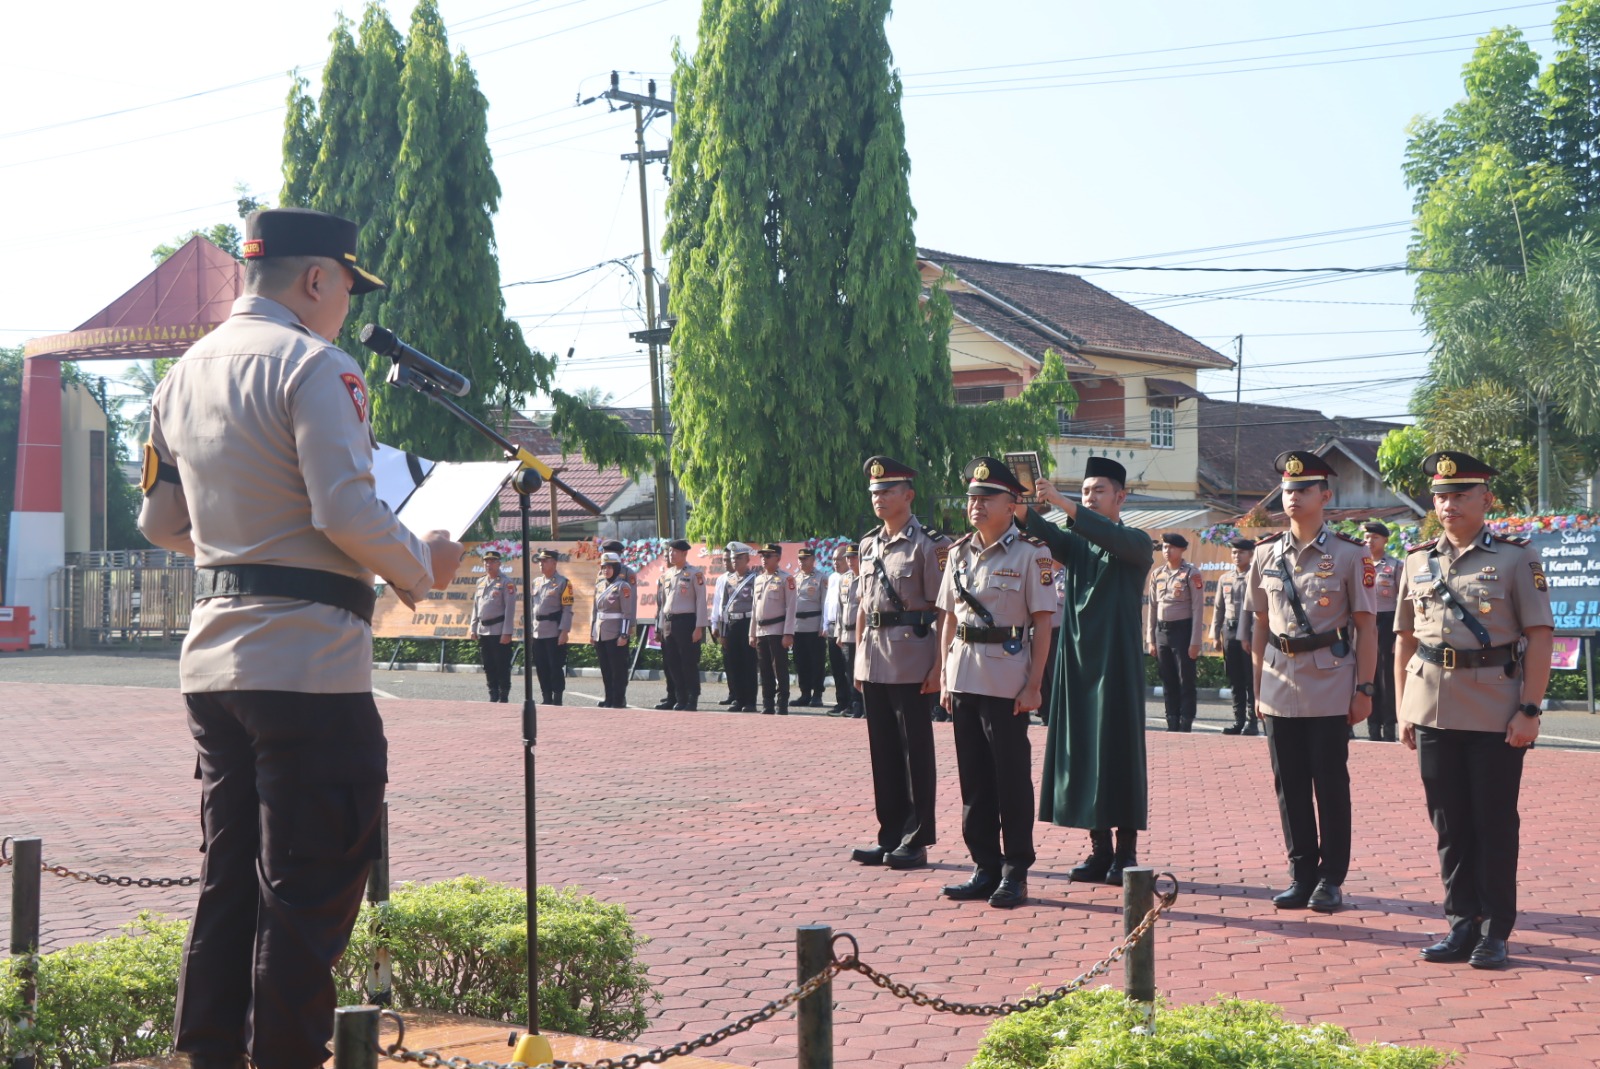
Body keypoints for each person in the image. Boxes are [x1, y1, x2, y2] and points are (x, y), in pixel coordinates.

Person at [137, 206, 464, 1069]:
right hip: (309, 668)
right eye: (347, 288)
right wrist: (423, 563)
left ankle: (207, 1056)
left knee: (228, 884)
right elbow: (346, 510)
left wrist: (241, 537)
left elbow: (160, 519)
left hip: (213, 664)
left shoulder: (179, 378)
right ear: (317, 278)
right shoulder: (319, 367)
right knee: (304, 896)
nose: (347, 306)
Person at [1394, 452, 1553, 970]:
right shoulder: (1417, 560)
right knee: (1449, 823)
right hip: (1432, 707)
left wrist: (1529, 709)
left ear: (1487, 499)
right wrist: (1403, 707)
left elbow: (1539, 636)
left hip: (1493, 709)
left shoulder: (1515, 557)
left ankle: (1494, 930)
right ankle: (1461, 923)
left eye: (1460, 494)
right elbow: (1404, 639)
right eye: (1440, 495)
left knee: (1493, 823)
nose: (1448, 504)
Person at [1248, 450, 1376, 914]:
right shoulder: (1264, 553)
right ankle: (1301, 873)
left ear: (1325, 495)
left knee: (1329, 782)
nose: (1293, 497)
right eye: (1287, 490)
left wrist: (1365, 689)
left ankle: (1330, 879)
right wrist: (1259, 686)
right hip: (1280, 682)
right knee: (1290, 784)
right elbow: (1260, 624)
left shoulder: (1349, 554)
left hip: (1330, 680)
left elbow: (1366, 626)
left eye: (1303, 489)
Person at [1019, 457, 1152, 886]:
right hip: (1078, 664)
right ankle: (1100, 851)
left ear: (1121, 498)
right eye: (1086, 491)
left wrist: (1065, 504)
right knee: (1086, 755)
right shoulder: (1080, 543)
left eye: (1099, 491)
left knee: (1119, 753)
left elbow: (1111, 537)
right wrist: (1021, 506)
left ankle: (1126, 852)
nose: (1090, 497)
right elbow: (1049, 535)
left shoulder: (1136, 541)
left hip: (1117, 665)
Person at [936, 457, 1057, 909]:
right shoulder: (959, 553)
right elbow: (948, 619)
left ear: (1013, 504)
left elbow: (1043, 625)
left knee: (1010, 780)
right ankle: (984, 866)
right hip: (964, 675)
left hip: (1008, 680)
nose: (976, 505)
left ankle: (1015, 871)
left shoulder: (1031, 554)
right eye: (972, 497)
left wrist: (1034, 685)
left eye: (987, 498)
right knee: (974, 780)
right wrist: (946, 674)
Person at [852, 456, 951, 871]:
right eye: (874, 492)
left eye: (887, 491)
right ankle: (889, 834)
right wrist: (858, 653)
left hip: (912, 657)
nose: (879, 498)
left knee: (915, 752)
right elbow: (862, 605)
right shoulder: (868, 543)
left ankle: (916, 838)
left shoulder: (929, 544)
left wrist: (938, 666)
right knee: (884, 752)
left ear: (908, 495)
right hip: (874, 656)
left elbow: (944, 609)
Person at [1146, 532, 1204, 731]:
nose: (1167, 551)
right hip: (1162, 632)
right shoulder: (1157, 573)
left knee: (1185, 678)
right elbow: (1152, 607)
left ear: (1182, 549)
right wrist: (1150, 639)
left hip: (1183, 631)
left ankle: (1186, 719)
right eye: (1164, 547)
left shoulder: (1190, 573)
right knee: (1167, 677)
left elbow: (1198, 608)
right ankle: (1171, 717)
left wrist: (1195, 641)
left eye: (1171, 547)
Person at [1212, 537, 1258, 735]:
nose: (1236, 556)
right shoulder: (1225, 578)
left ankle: (1252, 722)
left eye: (1241, 552)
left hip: (1249, 632)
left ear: (1250, 554)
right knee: (1235, 678)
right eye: (1234, 552)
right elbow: (1218, 608)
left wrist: (1253, 636)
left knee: (1251, 679)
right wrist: (1215, 635)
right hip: (1229, 632)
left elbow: (1258, 609)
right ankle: (1238, 721)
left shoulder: (1255, 577)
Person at [655, 538, 707, 711]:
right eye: (670, 552)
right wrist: (660, 627)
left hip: (687, 622)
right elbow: (662, 603)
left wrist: (699, 627)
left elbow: (700, 601)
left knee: (688, 662)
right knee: (672, 662)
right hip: (669, 622)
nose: (671, 555)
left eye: (675, 552)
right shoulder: (666, 575)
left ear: (684, 553)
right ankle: (680, 697)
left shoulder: (694, 574)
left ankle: (692, 697)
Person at [750, 543, 798, 714]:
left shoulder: (786, 579)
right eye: (762, 556)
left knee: (779, 668)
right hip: (761, 630)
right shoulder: (759, 579)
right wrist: (752, 633)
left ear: (778, 557)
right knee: (764, 669)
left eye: (768, 556)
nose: (764, 559)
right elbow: (755, 608)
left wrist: (788, 633)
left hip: (778, 630)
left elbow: (791, 607)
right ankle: (767, 703)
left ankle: (782, 703)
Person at [1365, 521, 1401, 742]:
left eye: (1375, 538)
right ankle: (1372, 728)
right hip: (1365, 624)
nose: (1370, 541)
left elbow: (1403, 604)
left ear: (1385, 540)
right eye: (1367, 537)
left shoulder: (1395, 566)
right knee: (1368, 677)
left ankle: (1388, 728)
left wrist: (1399, 636)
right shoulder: (1359, 565)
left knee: (1387, 679)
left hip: (1387, 625)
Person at [469, 549, 518, 703]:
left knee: (501, 664)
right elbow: (476, 607)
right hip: (483, 630)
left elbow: (510, 609)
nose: (488, 564)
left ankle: (503, 694)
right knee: (488, 664)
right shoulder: (481, 582)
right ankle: (492, 692)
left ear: (499, 563)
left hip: (499, 629)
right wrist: (473, 627)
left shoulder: (506, 583)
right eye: (486, 561)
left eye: (492, 561)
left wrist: (507, 632)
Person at [527, 548, 573, 706]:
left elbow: (567, 610)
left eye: (545, 561)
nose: (541, 564)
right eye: (540, 561)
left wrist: (564, 632)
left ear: (554, 562)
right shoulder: (536, 582)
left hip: (554, 631)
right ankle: (546, 697)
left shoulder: (563, 582)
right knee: (541, 667)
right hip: (538, 631)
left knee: (555, 666)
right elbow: (532, 608)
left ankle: (557, 697)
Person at [718, 542, 760, 711]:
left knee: (749, 664)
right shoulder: (729, 580)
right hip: (733, 624)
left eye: (739, 558)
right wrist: (723, 632)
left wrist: (755, 631)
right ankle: (738, 699)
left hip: (748, 623)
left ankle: (750, 701)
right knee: (734, 663)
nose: (735, 561)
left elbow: (757, 606)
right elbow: (724, 606)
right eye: (733, 558)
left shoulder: (755, 578)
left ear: (748, 559)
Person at [592, 552, 636, 708]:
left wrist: (624, 634)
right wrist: (593, 631)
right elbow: (595, 611)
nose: (606, 570)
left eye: (610, 567)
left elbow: (627, 613)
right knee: (606, 669)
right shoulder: (600, 586)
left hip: (615, 633)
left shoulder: (623, 586)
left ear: (617, 568)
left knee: (618, 669)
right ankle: (608, 697)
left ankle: (618, 698)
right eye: (604, 567)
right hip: (600, 633)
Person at [825, 544, 864, 717]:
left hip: (861, 633)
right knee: (849, 672)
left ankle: (865, 706)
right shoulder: (844, 579)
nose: (850, 560)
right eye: (847, 557)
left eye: (853, 557)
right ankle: (854, 705)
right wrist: (839, 633)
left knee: (863, 671)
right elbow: (841, 608)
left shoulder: (866, 577)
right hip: (847, 633)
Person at [791, 547, 829, 706]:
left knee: (816, 662)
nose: (802, 561)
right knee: (801, 661)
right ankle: (804, 693)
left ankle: (817, 694)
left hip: (814, 625)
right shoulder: (794, 578)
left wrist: (823, 625)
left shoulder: (821, 578)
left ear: (813, 560)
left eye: (805, 558)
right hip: (797, 626)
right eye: (800, 558)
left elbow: (824, 603)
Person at [708, 545, 738, 705]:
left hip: (739, 623)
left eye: (729, 560)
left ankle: (743, 693)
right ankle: (732, 692)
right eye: (724, 560)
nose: (726, 563)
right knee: (728, 661)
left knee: (741, 660)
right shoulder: (721, 579)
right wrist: (714, 624)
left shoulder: (746, 578)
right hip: (724, 623)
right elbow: (717, 603)